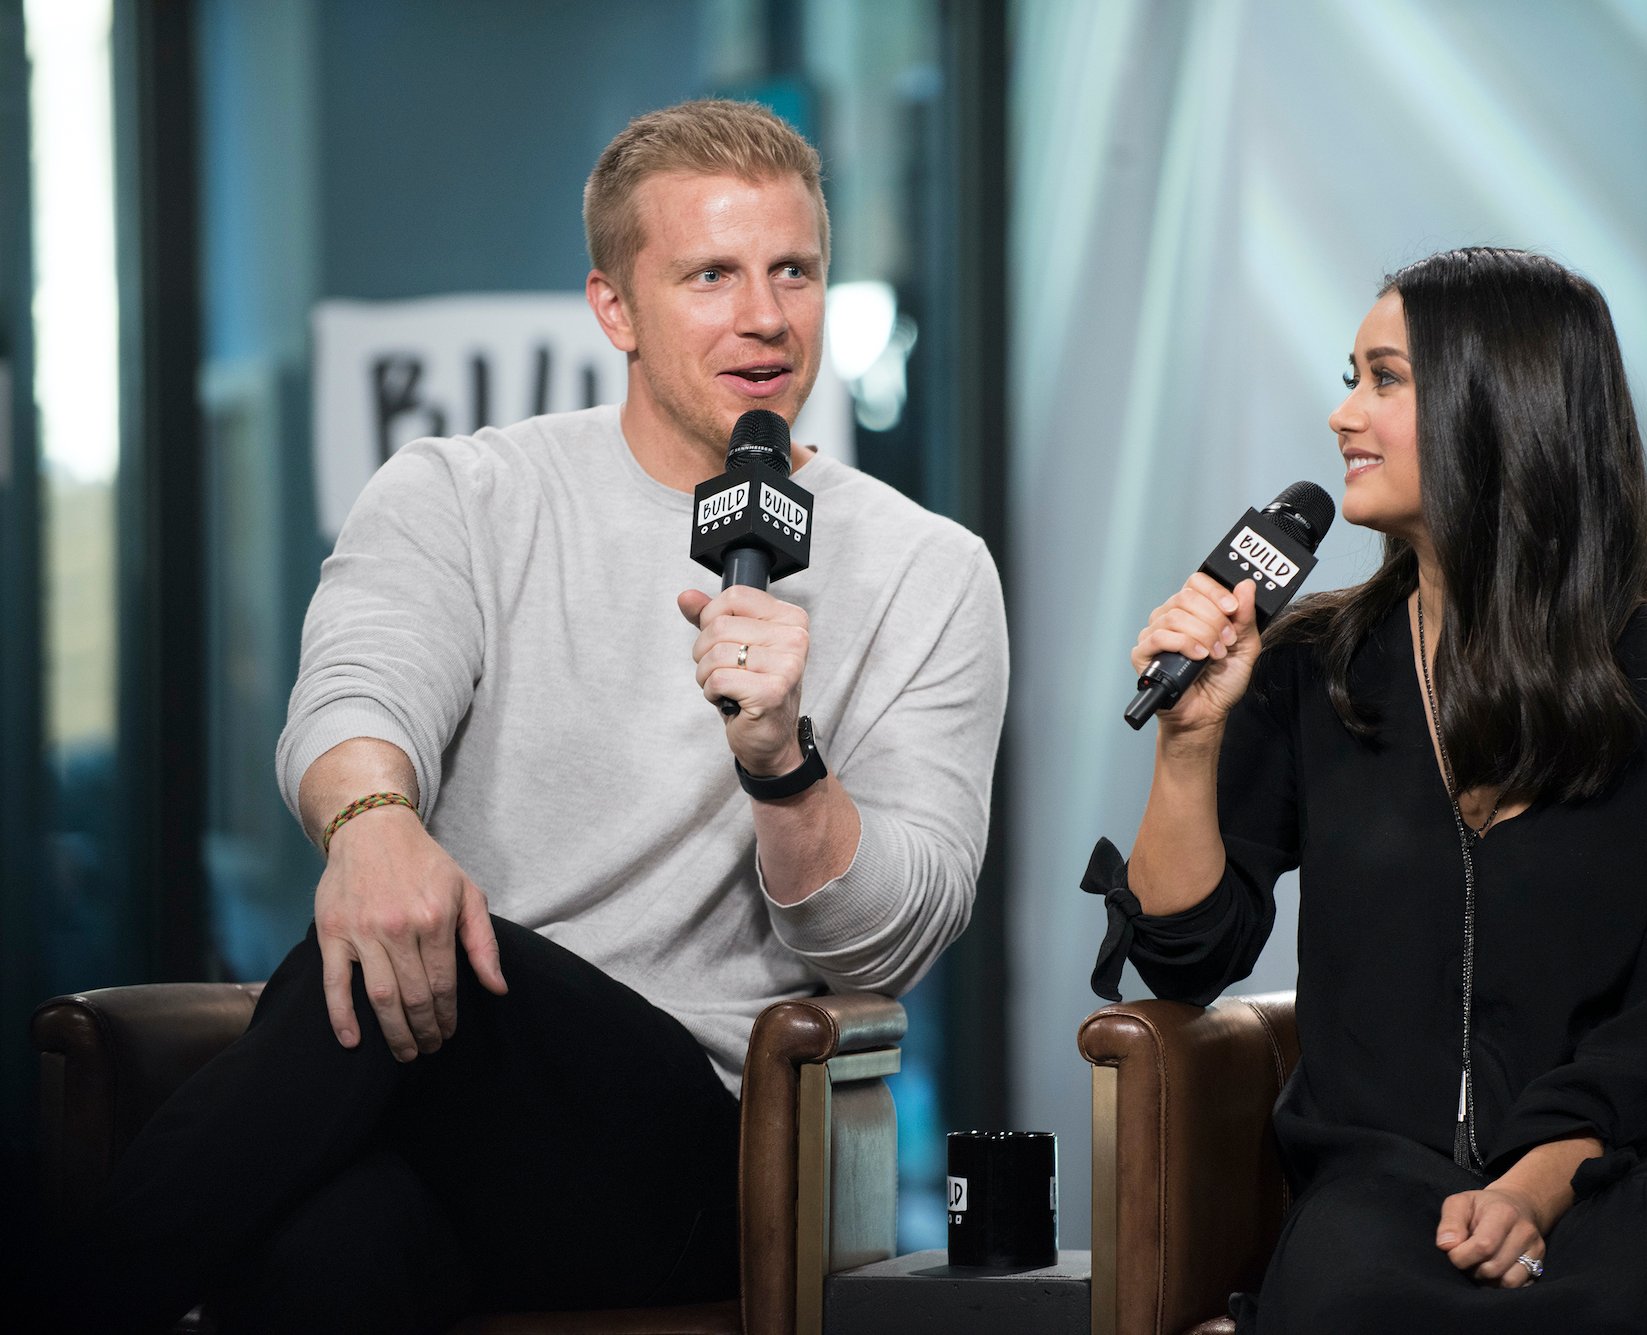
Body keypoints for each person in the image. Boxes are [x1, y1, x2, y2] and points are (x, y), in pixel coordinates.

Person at [55, 99, 1007, 1333]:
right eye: (710, 274)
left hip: (708, 1149)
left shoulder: (930, 568)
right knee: (320, 1253)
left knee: (424, 952)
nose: (764, 317)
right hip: (435, 1108)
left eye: (794, 272)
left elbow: (891, 942)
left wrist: (782, 765)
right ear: (613, 306)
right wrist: (374, 823)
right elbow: (356, 690)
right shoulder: (463, 493)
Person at [1084, 247, 1647, 1333]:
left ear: (1503, 405)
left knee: (1642, 1291)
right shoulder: (1312, 666)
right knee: (1352, 1296)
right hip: (1387, 1185)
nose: (1343, 415)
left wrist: (1533, 1184)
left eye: (1384, 379)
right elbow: (1188, 954)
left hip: (1644, 1160)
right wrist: (1189, 742)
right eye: (1351, 376)